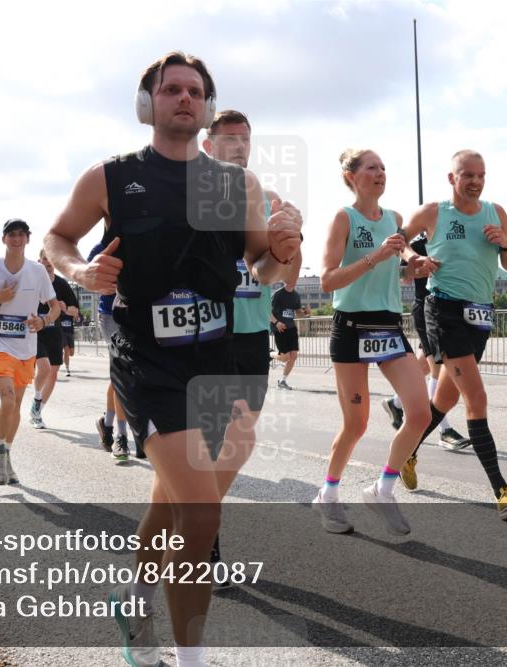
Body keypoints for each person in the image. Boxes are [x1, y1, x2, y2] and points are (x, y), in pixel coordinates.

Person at [45, 52, 301, 667]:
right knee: (201, 507)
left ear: (206, 108)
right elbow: (58, 239)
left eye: (195, 91)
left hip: (218, 359)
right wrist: (82, 270)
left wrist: (285, 249)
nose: (184, 98)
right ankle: (192, 657)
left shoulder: (237, 185)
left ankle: (132, 592)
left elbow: (260, 269)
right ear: (148, 104)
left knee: (175, 497)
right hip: (147, 360)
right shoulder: (110, 178)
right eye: (172, 90)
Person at [398, 149, 507, 519]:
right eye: (468, 175)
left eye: (481, 175)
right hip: (445, 310)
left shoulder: (496, 213)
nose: (475, 181)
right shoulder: (433, 213)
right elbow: (395, 242)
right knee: (476, 398)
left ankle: (407, 453)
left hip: (480, 315)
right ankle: (502, 491)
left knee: (444, 399)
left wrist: (506, 243)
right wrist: (412, 261)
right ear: (452, 178)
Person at [311, 149, 436, 535]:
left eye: (383, 166)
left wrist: (412, 267)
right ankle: (328, 496)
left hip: (387, 326)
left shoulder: (395, 219)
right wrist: (375, 257)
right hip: (351, 327)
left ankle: (382, 489)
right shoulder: (342, 218)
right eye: (371, 167)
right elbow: (327, 280)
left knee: (420, 413)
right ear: (351, 176)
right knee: (356, 424)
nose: (380, 173)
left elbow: (396, 269)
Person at [202, 108, 301, 585]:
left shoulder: (267, 199)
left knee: (237, 443)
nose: (240, 146)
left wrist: (290, 243)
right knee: (214, 443)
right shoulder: (192, 200)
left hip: (249, 335)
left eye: (246, 139)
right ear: (208, 146)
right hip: (205, 335)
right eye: (229, 139)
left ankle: (198, 522)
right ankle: (206, 542)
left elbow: (277, 277)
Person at [0, 218, 57, 485]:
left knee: (17, 405)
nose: (16, 239)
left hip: (26, 349)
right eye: (11, 234)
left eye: (21, 234)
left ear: (28, 239)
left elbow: (54, 307)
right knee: (7, 401)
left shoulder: (38, 271)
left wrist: (42, 321)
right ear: (3, 239)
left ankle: (7, 453)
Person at [383, 231, 471, 452]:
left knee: (425, 363)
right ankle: (444, 430)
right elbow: (402, 275)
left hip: (450, 309)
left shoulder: (452, 241)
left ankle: (395, 403)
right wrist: (413, 267)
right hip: (427, 309)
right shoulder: (418, 245)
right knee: (438, 369)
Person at [88, 240, 132, 461]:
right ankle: (121, 437)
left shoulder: (145, 236)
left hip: (139, 315)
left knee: (119, 375)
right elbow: (88, 279)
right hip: (111, 316)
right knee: (123, 373)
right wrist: (97, 283)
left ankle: (106, 424)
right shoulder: (103, 247)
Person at [28, 250, 64, 430]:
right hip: (35, 332)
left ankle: (37, 411)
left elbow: (74, 309)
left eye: (51, 261)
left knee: (53, 373)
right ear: (39, 261)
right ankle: (36, 398)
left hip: (54, 334)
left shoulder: (62, 284)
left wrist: (66, 308)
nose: (48, 264)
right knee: (44, 367)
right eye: (44, 260)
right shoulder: (30, 280)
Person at [270, 279, 305, 389]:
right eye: (292, 278)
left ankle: (283, 381)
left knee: (293, 356)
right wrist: (276, 322)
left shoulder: (296, 296)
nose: (294, 280)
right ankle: (269, 354)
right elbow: (267, 310)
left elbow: (299, 313)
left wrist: (305, 312)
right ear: (285, 280)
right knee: (285, 357)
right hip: (280, 328)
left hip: (291, 328)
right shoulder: (278, 294)